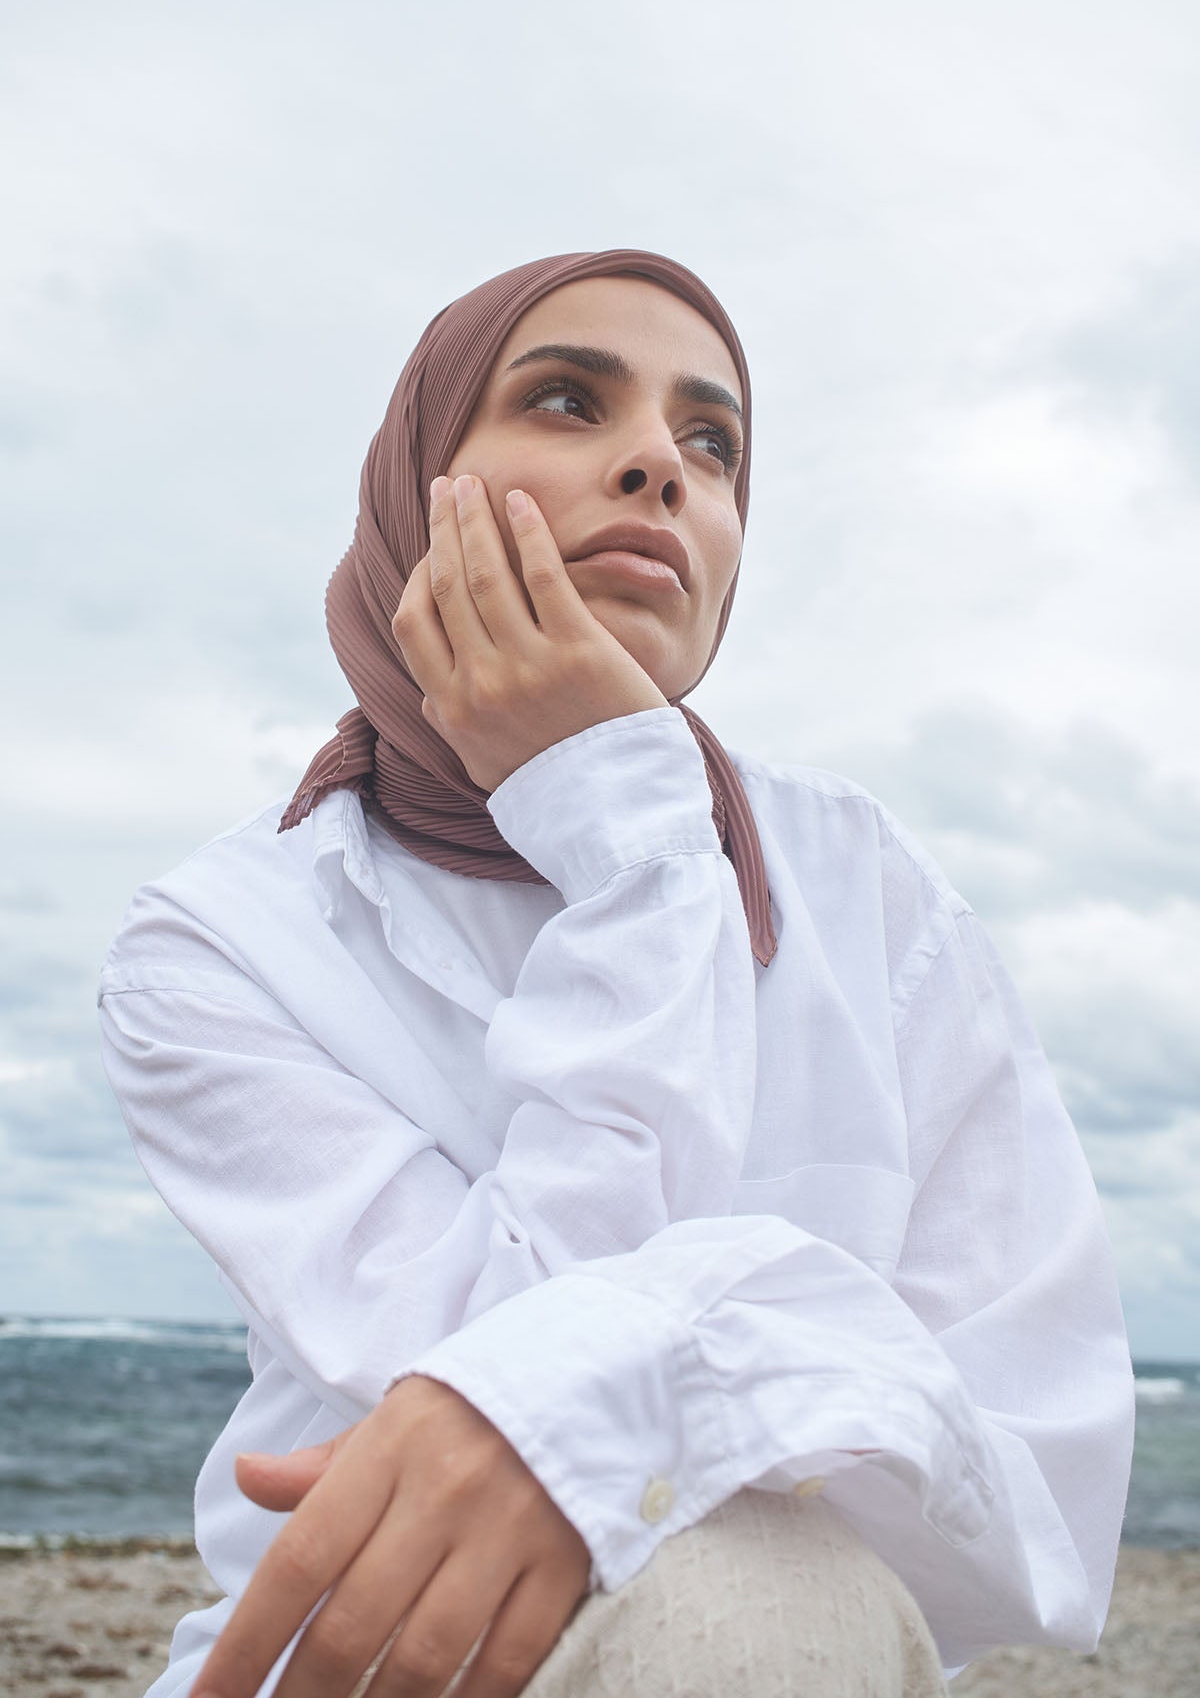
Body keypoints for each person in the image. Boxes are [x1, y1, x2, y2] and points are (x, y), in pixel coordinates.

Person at [98, 249, 1135, 1698]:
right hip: (370, 1658)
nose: (661, 463)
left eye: (713, 443)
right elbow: (487, 1390)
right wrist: (638, 851)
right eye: (569, 400)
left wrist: (625, 814)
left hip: (792, 1651)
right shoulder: (223, 943)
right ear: (414, 487)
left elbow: (1040, 1483)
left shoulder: (872, 896)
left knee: (752, 1582)